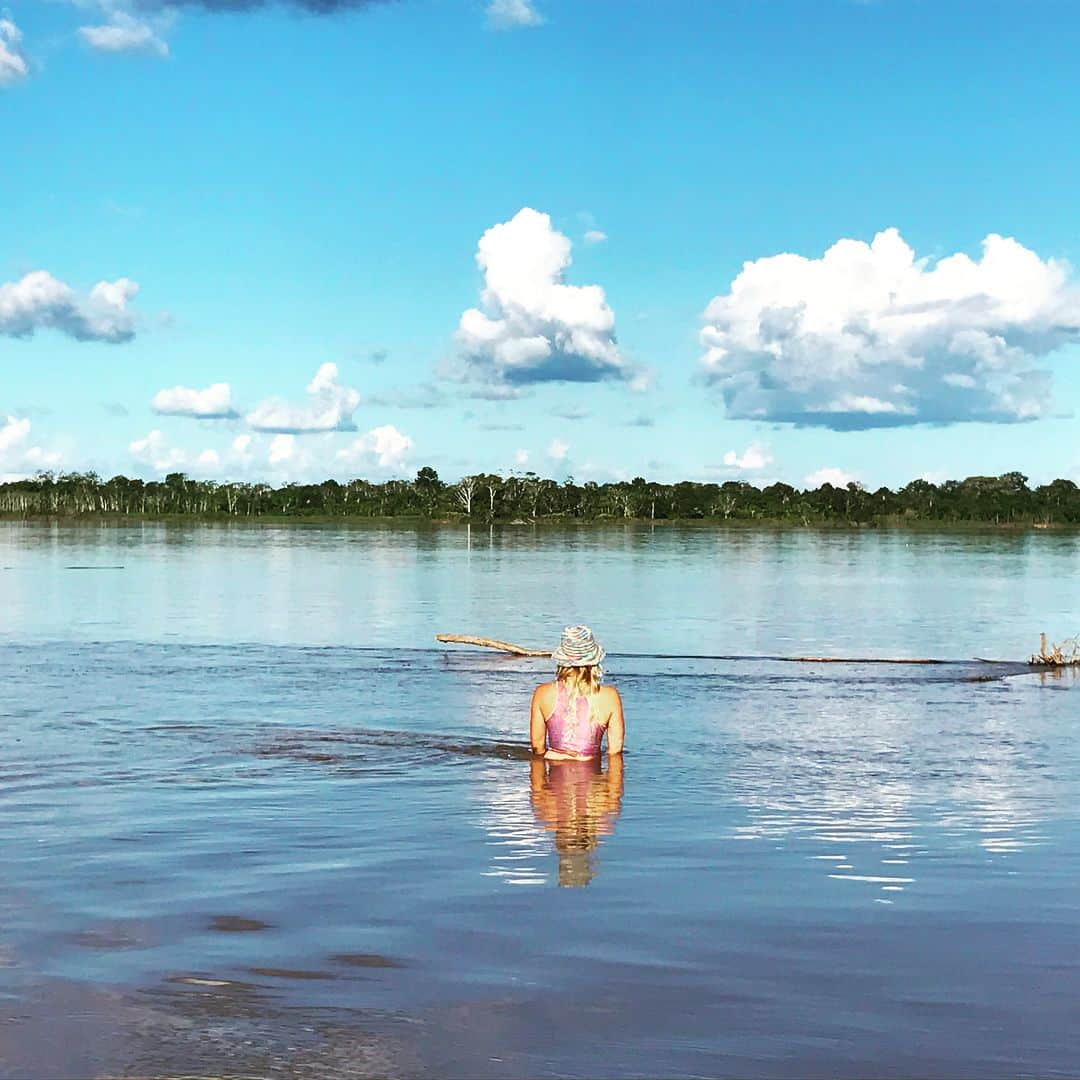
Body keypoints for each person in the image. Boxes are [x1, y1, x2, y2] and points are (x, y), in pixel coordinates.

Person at [530, 625, 624, 760]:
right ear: (594, 661)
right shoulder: (609, 696)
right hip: (590, 772)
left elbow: (537, 747)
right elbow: (615, 751)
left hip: (554, 767)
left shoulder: (542, 693)